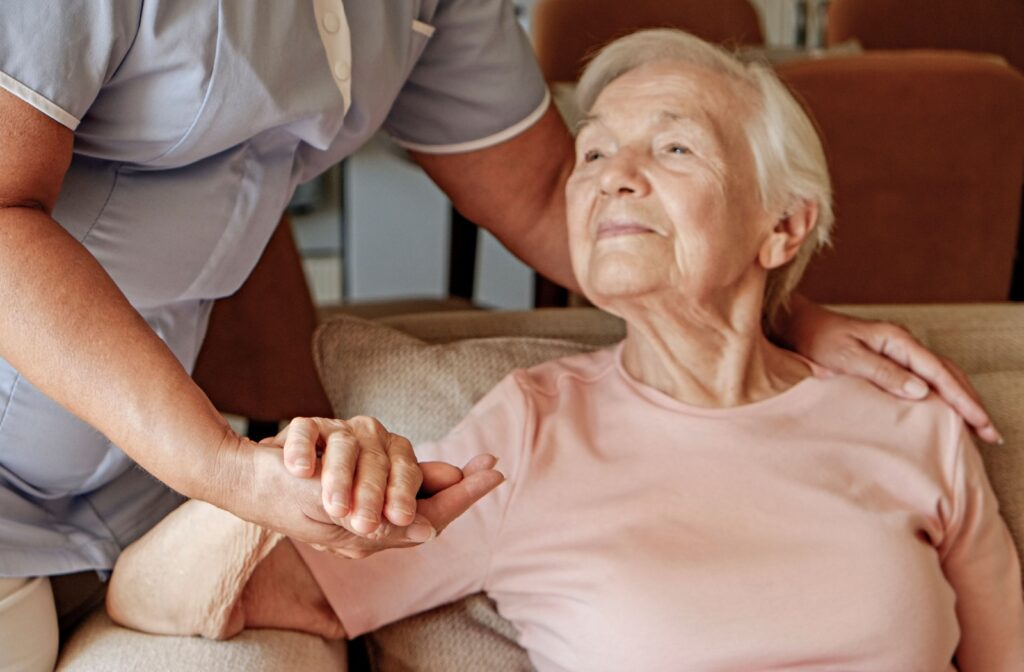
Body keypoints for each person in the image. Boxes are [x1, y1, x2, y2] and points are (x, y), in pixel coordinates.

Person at [0, 2, 1001, 669]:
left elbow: (535, 186)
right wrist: (248, 474)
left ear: (784, 225)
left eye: (674, 146)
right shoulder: (530, 439)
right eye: (597, 151)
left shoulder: (912, 427)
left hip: (113, 481)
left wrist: (789, 307)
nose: (611, 176)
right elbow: (179, 595)